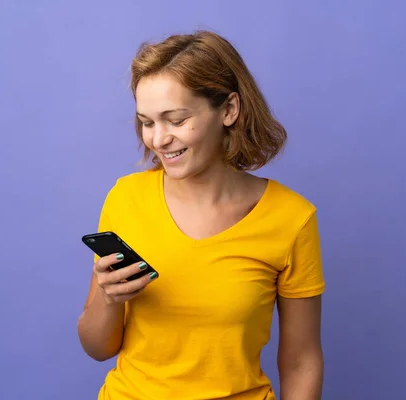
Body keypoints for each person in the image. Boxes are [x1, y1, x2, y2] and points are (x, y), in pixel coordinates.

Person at [77, 30, 325, 400]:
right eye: (147, 122)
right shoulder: (126, 198)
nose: (158, 140)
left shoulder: (292, 218)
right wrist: (109, 300)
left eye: (175, 120)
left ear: (228, 110)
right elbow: (98, 348)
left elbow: (301, 361)